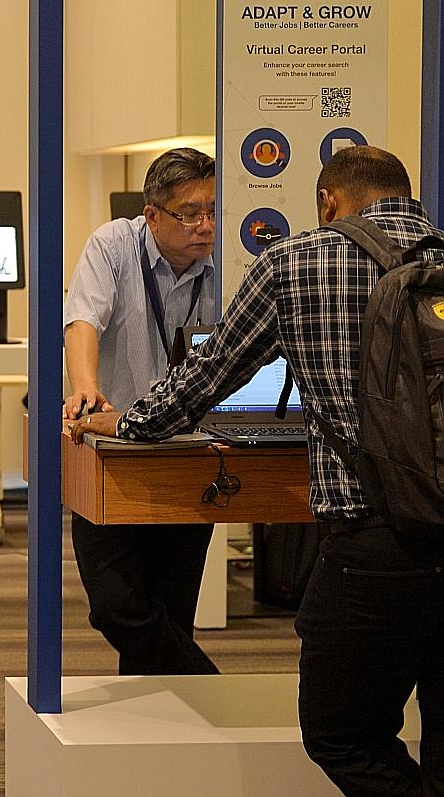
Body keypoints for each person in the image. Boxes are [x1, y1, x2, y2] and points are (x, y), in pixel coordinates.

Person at [74, 146, 444, 795]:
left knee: (345, 736)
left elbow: (208, 376)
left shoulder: (295, 263)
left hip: (374, 532)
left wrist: (125, 422)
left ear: (328, 202)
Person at [62, 147, 219, 675]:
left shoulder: (229, 262)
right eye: (190, 213)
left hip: (188, 451)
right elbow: (83, 317)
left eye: (212, 210)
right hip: (114, 449)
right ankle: (209, 690)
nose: (205, 225)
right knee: (115, 606)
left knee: (172, 611)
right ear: (152, 214)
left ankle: (167, 736)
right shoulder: (113, 244)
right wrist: (86, 389)